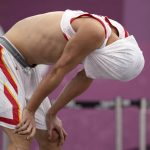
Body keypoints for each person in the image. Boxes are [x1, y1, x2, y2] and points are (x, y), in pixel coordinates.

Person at [0, 9, 144, 149]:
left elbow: (84, 78)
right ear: (111, 60)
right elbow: (57, 71)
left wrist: (52, 113)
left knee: (53, 139)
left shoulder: (119, 43)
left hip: (27, 68)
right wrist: (30, 110)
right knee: (22, 137)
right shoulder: (93, 32)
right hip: (6, 55)